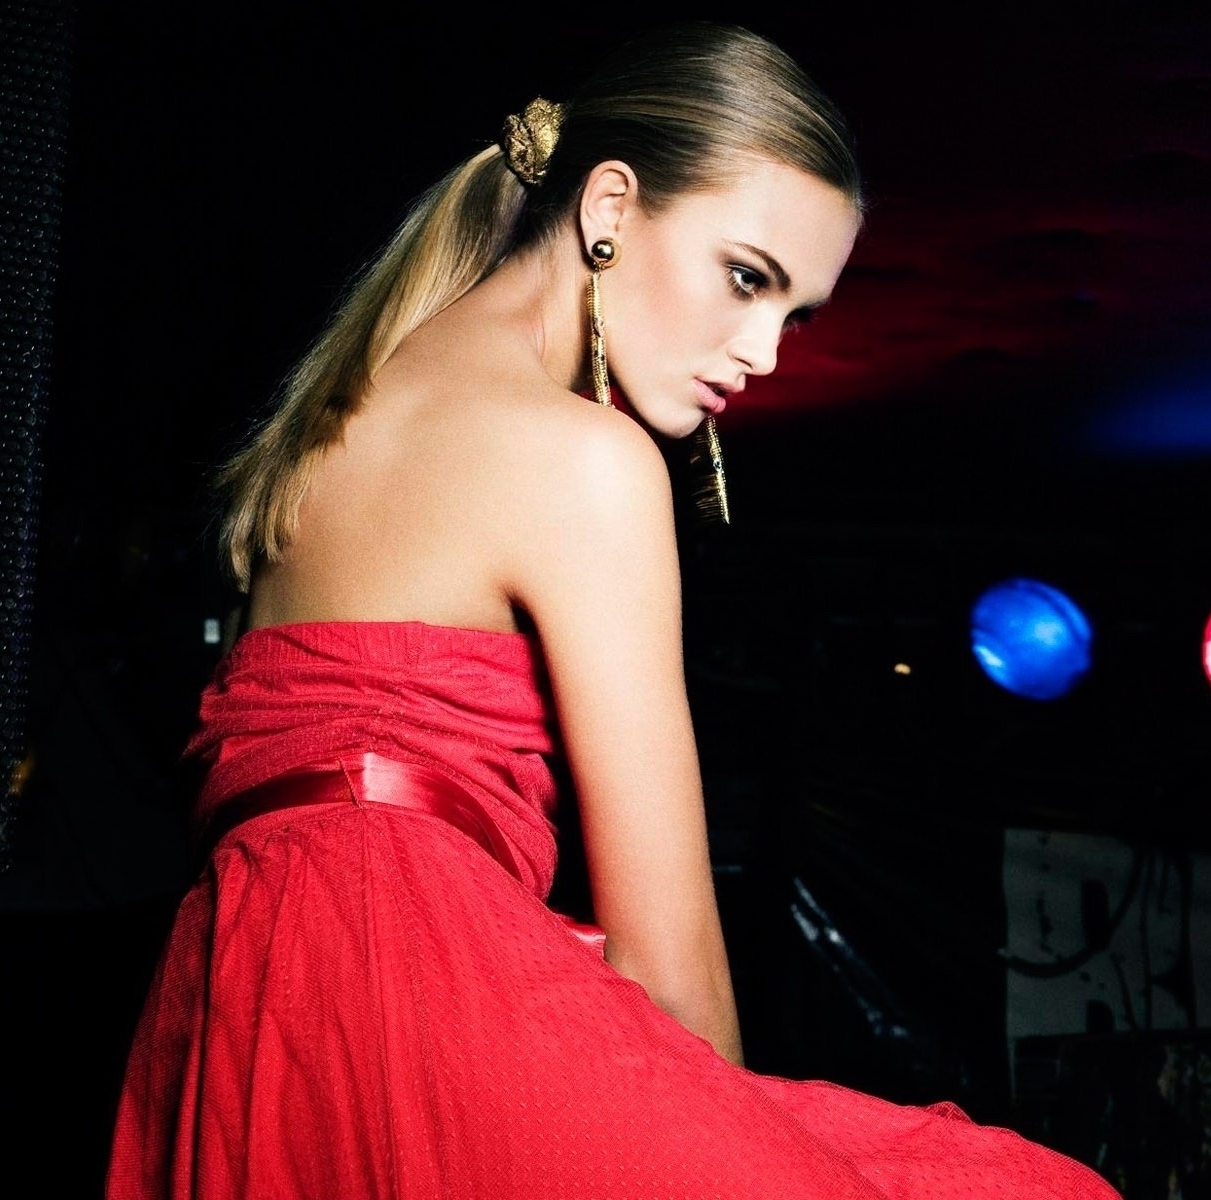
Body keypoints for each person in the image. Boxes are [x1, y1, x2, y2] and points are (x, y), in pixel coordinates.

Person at [107, 21, 1119, 1199]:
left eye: (794, 315)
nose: (763, 353)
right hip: (413, 1018)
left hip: (243, 1027)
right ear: (610, 207)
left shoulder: (331, 426)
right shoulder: (586, 461)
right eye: (746, 277)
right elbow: (670, 964)